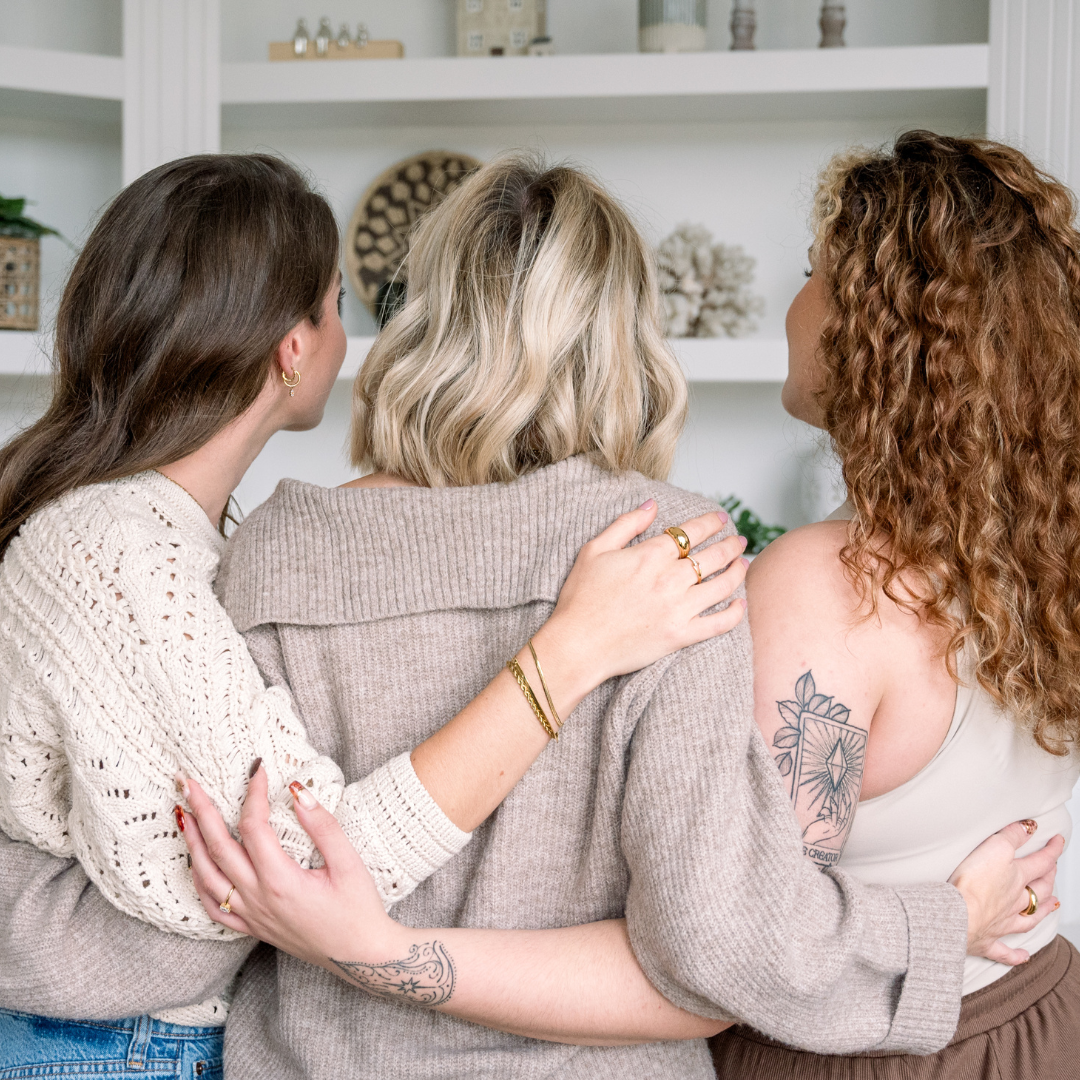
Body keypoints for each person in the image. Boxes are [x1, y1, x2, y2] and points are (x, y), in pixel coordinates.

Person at [179, 152, 1060, 1080]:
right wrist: (944, 925)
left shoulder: (273, 546)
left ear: (422, 317)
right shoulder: (673, 554)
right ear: (625, 334)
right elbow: (725, 950)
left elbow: (227, 871)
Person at [0, 153, 750, 1078]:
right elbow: (302, 869)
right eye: (334, 307)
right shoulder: (109, 551)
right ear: (292, 346)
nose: (353, 337)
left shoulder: (218, 545)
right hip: (105, 1048)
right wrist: (566, 654)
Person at [708, 131, 1080, 1077]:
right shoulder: (1049, 549)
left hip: (873, 1055)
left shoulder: (823, 581)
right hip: (1038, 1015)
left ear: (876, 326)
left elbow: (758, 939)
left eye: (811, 273)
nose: (790, 305)